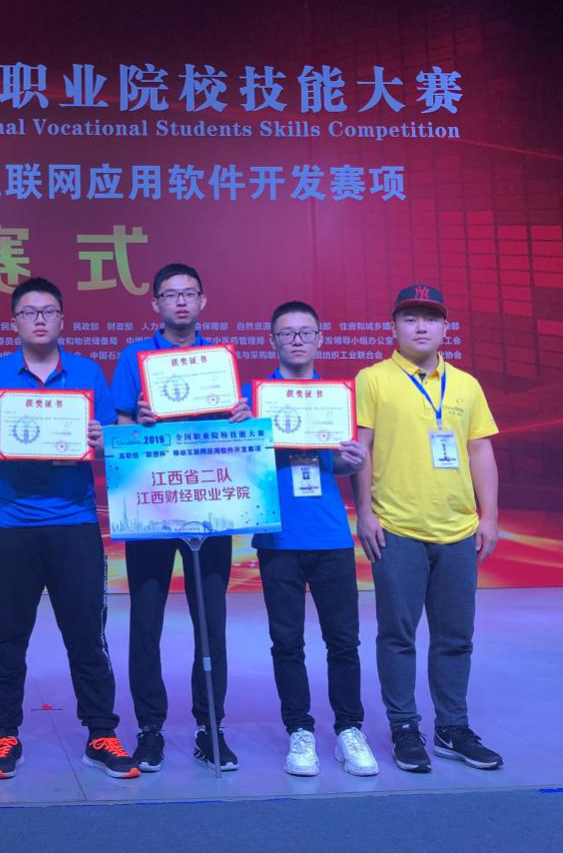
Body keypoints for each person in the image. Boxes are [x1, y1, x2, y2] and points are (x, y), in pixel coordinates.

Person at [0, 277, 139, 780]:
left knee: (87, 635)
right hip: (10, 524)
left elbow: (114, 441)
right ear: (14, 322)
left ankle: (101, 733)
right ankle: (5, 734)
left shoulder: (86, 372)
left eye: (48, 311)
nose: (39, 320)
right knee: (6, 635)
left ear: (62, 319)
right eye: (29, 312)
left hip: (74, 523)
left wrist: (102, 438)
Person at [352, 284, 503, 773]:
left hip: (458, 530)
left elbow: (480, 450)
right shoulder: (372, 379)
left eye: (431, 318)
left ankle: (452, 728)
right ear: (393, 327)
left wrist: (489, 515)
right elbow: (361, 449)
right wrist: (365, 512)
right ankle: (404, 728)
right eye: (410, 318)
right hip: (396, 528)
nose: (421, 327)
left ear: (445, 328)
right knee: (397, 634)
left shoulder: (466, 385)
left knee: (456, 636)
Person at [110, 262, 251, 772]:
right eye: (171, 295)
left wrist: (240, 415)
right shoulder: (134, 356)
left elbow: (237, 426)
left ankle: (209, 727)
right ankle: (150, 729)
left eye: (190, 293)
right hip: (153, 501)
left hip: (208, 502)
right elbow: (120, 427)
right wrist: (138, 421)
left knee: (210, 622)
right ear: (156, 304)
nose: (181, 302)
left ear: (203, 301)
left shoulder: (219, 359)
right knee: (145, 622)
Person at [242, 300, 379, 777]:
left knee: (343, 641)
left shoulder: (335, 398)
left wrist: (350, 460)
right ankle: (299, 731)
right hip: (278, 538)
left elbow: (335, 463)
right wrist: (243, 430)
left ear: (320, 339)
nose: (297, 340)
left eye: (306, 332)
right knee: (287, 642)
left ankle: (349, 730)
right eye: (287, 333)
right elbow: (241, 460)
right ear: (273, 341)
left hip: (330, 535)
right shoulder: (254, 397)